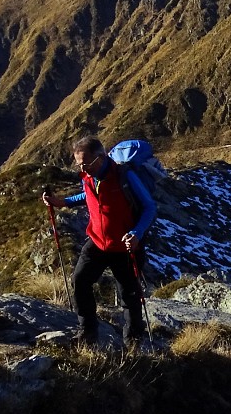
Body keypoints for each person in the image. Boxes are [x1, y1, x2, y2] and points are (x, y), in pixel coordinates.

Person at [42, 136, 157, 345]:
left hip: (125, 245)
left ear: (102, 158)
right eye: (79, 165)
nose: (83, 169)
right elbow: (87, 195)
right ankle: (87, 334)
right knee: (80, 281)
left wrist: (137, 234)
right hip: (97, 241)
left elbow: (149, 207)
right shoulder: (88, 178)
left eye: (87, 164)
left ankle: (133, 344)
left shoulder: (124, 176)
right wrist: (63, 202)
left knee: (129, 295)